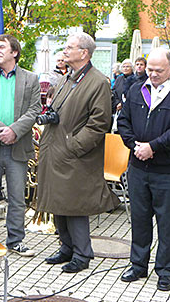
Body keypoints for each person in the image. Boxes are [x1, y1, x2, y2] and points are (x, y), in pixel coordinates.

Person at [37, 32, 119, 273]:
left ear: (84, 53)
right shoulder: (67, 78)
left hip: (75, 155)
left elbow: (99, 123)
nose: (65, 50)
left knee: (74, 207)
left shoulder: (98, 82)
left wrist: (74, 146)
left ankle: (82, 254)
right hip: (56, 150)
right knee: (57, 203)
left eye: (70, 47)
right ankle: (66, 248)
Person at [117, 48, 170, 291]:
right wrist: (136, 146)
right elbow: (123, 121)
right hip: (138, 168)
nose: (152, 74)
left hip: (169, 171)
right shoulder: (136, 89)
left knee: (167, 223)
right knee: (139, 220)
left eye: (158, 70)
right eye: (150, 69)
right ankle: (138, 264)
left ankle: (164, 271)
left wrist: (153, 147)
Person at [0, 34, 41, 257]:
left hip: (18, 147)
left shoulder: (31, 79)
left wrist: (15, 131)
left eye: (1, 47)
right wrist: (2, 131)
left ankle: (16, 240)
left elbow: (34, 110)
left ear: (15, 52)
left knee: (17, 197)